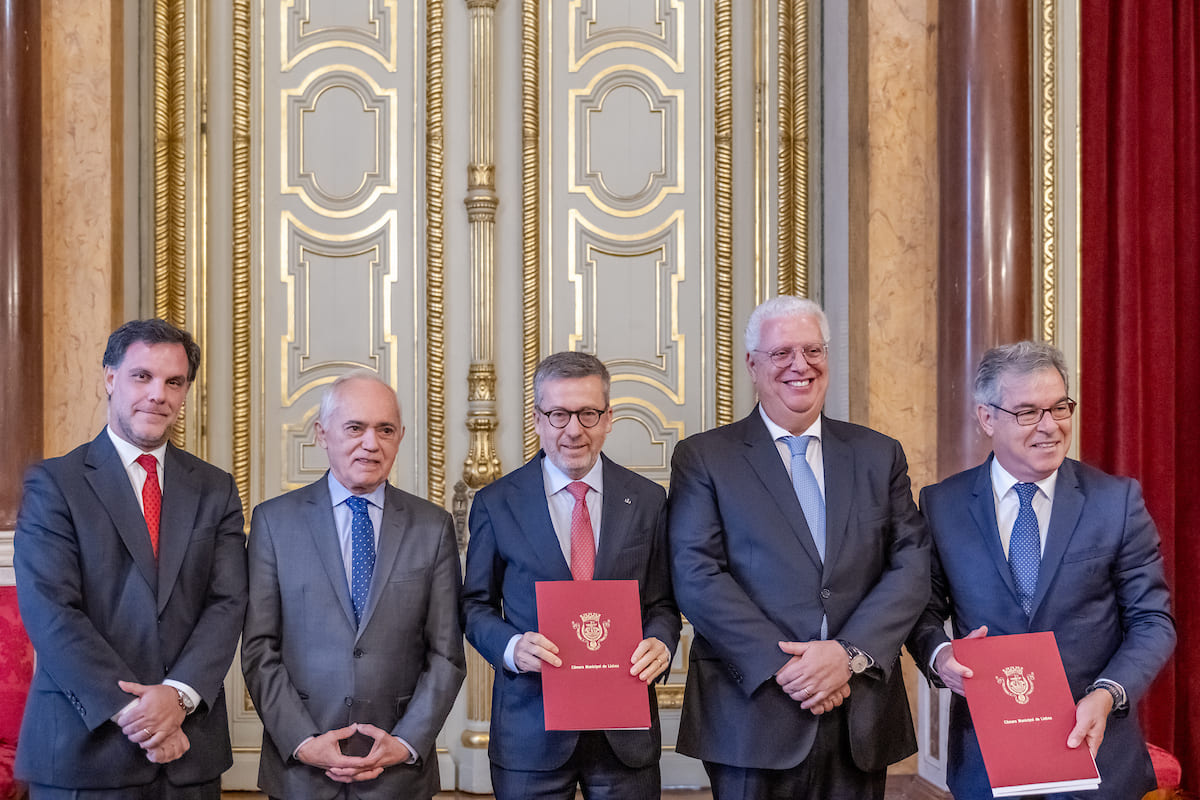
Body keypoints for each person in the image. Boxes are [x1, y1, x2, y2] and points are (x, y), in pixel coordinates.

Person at [667, 295, 930, 800]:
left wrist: (848, 655)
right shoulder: (704, 457)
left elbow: (911, 563)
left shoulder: (879, 453)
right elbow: (696, 575)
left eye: (812, 350)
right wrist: (789, 667)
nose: (800, 365)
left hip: (860, 708)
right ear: (752, 364)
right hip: (753, 712)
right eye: (782, 352)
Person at [907, 341, 1175, 799]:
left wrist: (1107, 693)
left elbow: (1153, 621)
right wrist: (940, 658)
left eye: (1059, 407)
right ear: (987, 418)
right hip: (987, 760)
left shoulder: (1116, 502)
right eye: (1028, 412)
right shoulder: (942, 504)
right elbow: (920, 611)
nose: (1050, 426)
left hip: (1097, 753)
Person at [13, 319, 248, 799]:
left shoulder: (215, 487)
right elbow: (51, 611)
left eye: (174, 382)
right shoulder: (55, 483)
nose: (158, 394)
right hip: (85, 749)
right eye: (142, 376)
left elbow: (227, 603)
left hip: (188, 754)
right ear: (110, 378)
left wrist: (178, 699)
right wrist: (142, 717)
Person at [462, 351, 680, 800]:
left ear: (608, 419)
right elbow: (474, 605)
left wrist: (661, 641)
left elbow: (663, 604)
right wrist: (511, 647)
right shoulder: (496, 503)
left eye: (588, 413)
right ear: (538, 419)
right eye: (559, 414)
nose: (574, 429)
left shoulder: (647, 500)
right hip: (531, 730)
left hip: (623, 734)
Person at [241, 370, 465, 799]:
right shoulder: (274, 522)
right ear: (322, 435)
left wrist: (405, 742)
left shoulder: (432, 527)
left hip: (397, 771)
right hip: (301, 770)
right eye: (355, 428)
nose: (370, 442)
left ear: (400, 437)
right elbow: (258, 648)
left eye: (385, 429)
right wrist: (303, 741)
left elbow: (446, 655)